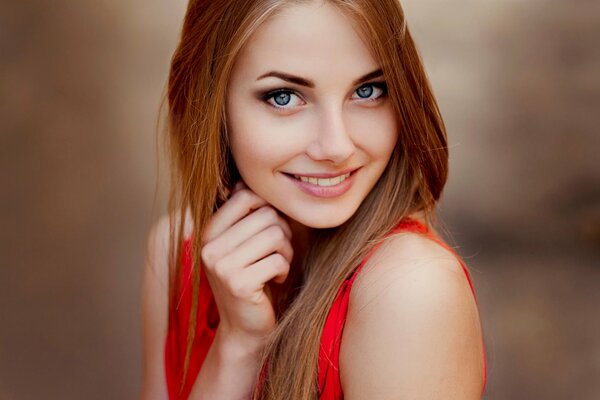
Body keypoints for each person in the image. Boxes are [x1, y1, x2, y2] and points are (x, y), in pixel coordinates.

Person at [140, 0, 487, 399]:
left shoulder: (410, 290)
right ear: (209, 103)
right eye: (284, 97)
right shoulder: (177, 250)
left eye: (368, 90)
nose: (336, 147)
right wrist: (237, 345)